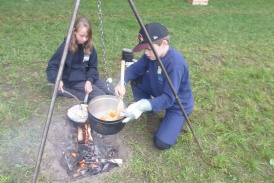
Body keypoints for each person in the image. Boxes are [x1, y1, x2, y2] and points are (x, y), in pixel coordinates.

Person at [115, 22, 194, 150]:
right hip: (159, 88)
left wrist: (140, 106)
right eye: (145, 49)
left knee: (161, 143)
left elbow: (169, 98)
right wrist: (121, 83)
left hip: (177, 104)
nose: (146, 52)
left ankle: (173, 118)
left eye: (149, 48)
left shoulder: (175, 64)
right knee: (137, 78)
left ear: (164, 44)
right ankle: (150, 109)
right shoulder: (151, 55)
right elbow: (134, 69)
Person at [46, 16, 114, 102]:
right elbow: (52, 67)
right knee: (100, 96)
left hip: (86, 76)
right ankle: (64, 91)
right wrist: (57, 79)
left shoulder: (88, 46)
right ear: (74, 31)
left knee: (112, 90)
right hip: (73, 80)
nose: (84, 39)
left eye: (87, 36)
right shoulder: (66, 47)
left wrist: (89, 80)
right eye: (81, 36)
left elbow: (93, 66)